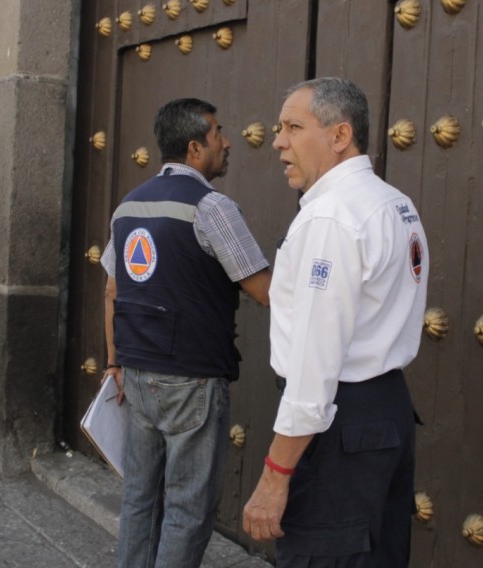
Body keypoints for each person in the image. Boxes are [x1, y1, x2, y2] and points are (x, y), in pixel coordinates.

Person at [242, 77, 429, 567]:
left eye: (293, 127)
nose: (279, 141)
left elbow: (313, 364)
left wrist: (274, 475)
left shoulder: (331, 217)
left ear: (339, 135)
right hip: (385, 410)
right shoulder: (394, 203)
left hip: (338, 423)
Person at [100, 97, 271, 568]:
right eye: (219, 134)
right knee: (187, 508)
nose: (228, 142)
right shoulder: (212, 207)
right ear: (195, 148)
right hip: (192, 378)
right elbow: (264, 291)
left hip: (135, 374)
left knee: (139, 497)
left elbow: (113, 290)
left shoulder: (127, 206)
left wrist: (114, 361)